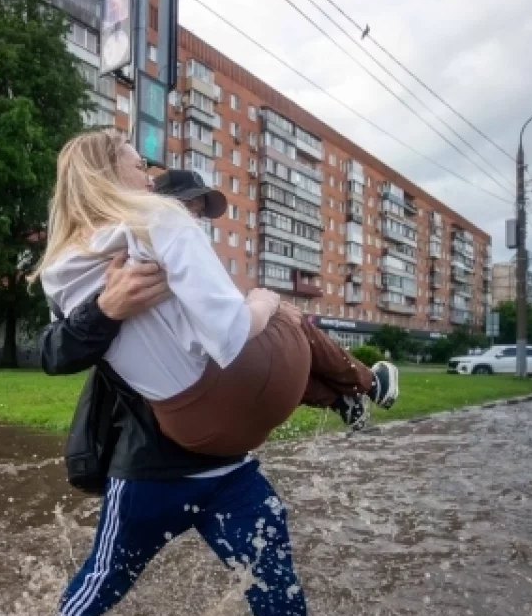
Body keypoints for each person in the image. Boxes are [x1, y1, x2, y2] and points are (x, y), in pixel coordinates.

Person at [32, 136, 387, 616]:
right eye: (140, 164)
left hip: (228, 466)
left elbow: (217, 341)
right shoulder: (126, 245)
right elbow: (54, 352)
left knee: (278, 590)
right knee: (102, 581)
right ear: (110, 174)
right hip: (151, 464)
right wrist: (107, 308)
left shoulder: (70, 263)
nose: (150, 175)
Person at [37, 135, 397, 457]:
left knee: (270, 342)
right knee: (280, 313)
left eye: (199, 213)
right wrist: (103, 311)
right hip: (167, 430)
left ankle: (342, 398)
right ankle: (365, 383)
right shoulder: (157, 224)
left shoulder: (57, 267)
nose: (195, 218)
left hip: (187, 430)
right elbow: (230, 333)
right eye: (141, 166)